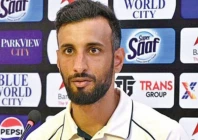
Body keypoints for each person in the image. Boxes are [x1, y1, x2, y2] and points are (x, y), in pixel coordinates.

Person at [27, 0, 189, 139]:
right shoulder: (40, 137)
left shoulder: (166, 135)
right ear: (58, 60)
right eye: (69, 51)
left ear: (117, 60)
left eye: (93, 50)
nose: (79, 66)